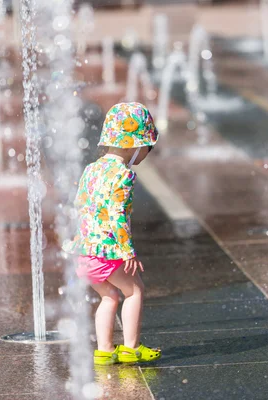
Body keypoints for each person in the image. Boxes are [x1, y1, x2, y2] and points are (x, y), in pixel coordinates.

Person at [73, 102, 161, 365]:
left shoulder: (91, 170)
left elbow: (80, 205)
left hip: (85, 251)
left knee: (108, 296)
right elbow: (117, 215)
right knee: (134, 291)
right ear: (134, 146)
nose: (147, 153)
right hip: (108, 252)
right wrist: (127, 251)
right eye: (148, 147)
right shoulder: (123, 175)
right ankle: (131, 348)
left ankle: (104, 350)